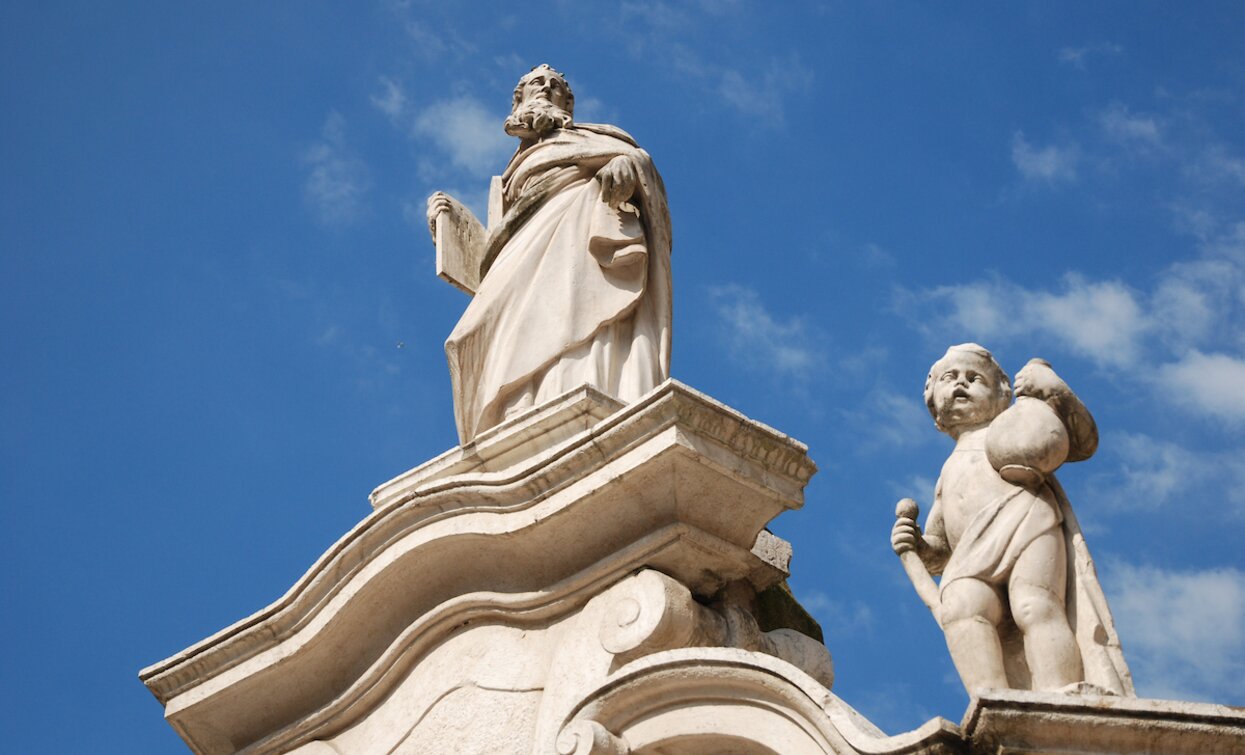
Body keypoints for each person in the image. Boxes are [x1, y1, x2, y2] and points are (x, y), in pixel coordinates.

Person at [427, 65, 671, 444]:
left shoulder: (596, 138)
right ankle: (520, 408)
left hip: (578, 227)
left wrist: (627, 166)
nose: (545, 88)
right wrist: (451, 225)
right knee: (480, 332)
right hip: (520, 249)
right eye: (535, 84)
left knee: (576, 311)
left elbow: (642, 165)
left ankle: (580, 387)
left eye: (555, 86)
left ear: (567, 103)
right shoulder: (508, 175)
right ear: (518, 100)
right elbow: (496, 242)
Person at [891, 344, 1132, 694]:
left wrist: (1050, 389)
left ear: (1001, 394)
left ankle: (1058, 693)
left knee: (1035, 605)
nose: (961, 384)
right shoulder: (948, 470)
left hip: (1027, 517)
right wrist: (917, 544)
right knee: (962, 609)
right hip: (968, 552)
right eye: (950, 378)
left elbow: (1081, 441)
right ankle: (991, 700)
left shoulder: (1011, 429)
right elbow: (941, 548)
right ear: (933, 403)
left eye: (974, 379)